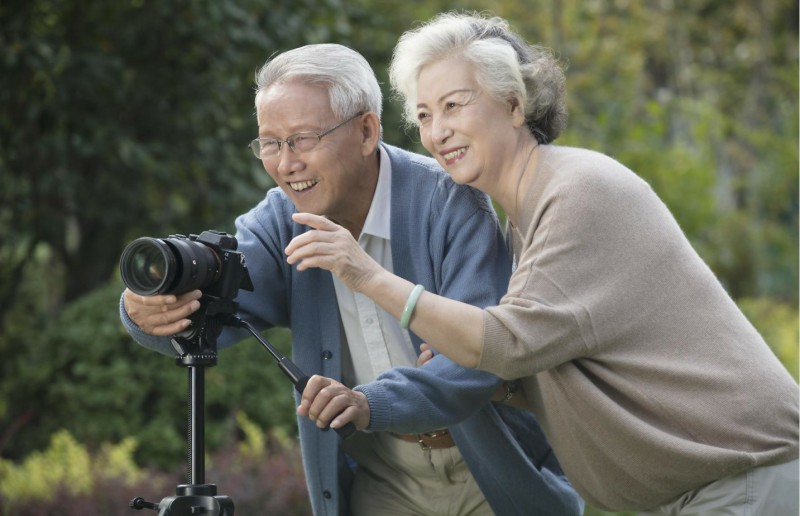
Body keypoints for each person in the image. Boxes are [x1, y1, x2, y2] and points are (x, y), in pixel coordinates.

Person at [284, 13, 800, 515]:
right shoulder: (524, 217)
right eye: (423, 115)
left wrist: (367, 275)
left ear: (514, 104)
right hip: (709, 489)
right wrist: (503, 383)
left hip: (745, 482)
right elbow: (561, 357)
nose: (437, 132)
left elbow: (506, 344)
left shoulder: (578, 193)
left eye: (454, 105)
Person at [120, 43, 582, 515]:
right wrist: (147, 308)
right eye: (271, 143)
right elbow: (214, 310)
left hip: (486, 469)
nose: (286, 163)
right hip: (383, 475)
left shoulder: (448, 200)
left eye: (303, 138)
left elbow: (484, 351)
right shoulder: (280, 220)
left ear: (366, 131)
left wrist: (368, 403)